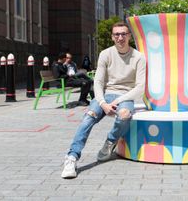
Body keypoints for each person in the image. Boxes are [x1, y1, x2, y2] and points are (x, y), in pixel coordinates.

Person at [61, 22, 146, 178]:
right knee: (89, 116)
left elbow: (140, 87)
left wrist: (118, 100)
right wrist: (103, 104)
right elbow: (98, 83)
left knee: (125, 114)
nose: (120, 37)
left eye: (123, 34)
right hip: (106, 94)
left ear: (129, 36)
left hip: (126, 95)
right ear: (112, 37)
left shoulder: (139, 57)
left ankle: (110, 142)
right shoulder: (105, 54)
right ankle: (72, 157)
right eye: (117, 34)